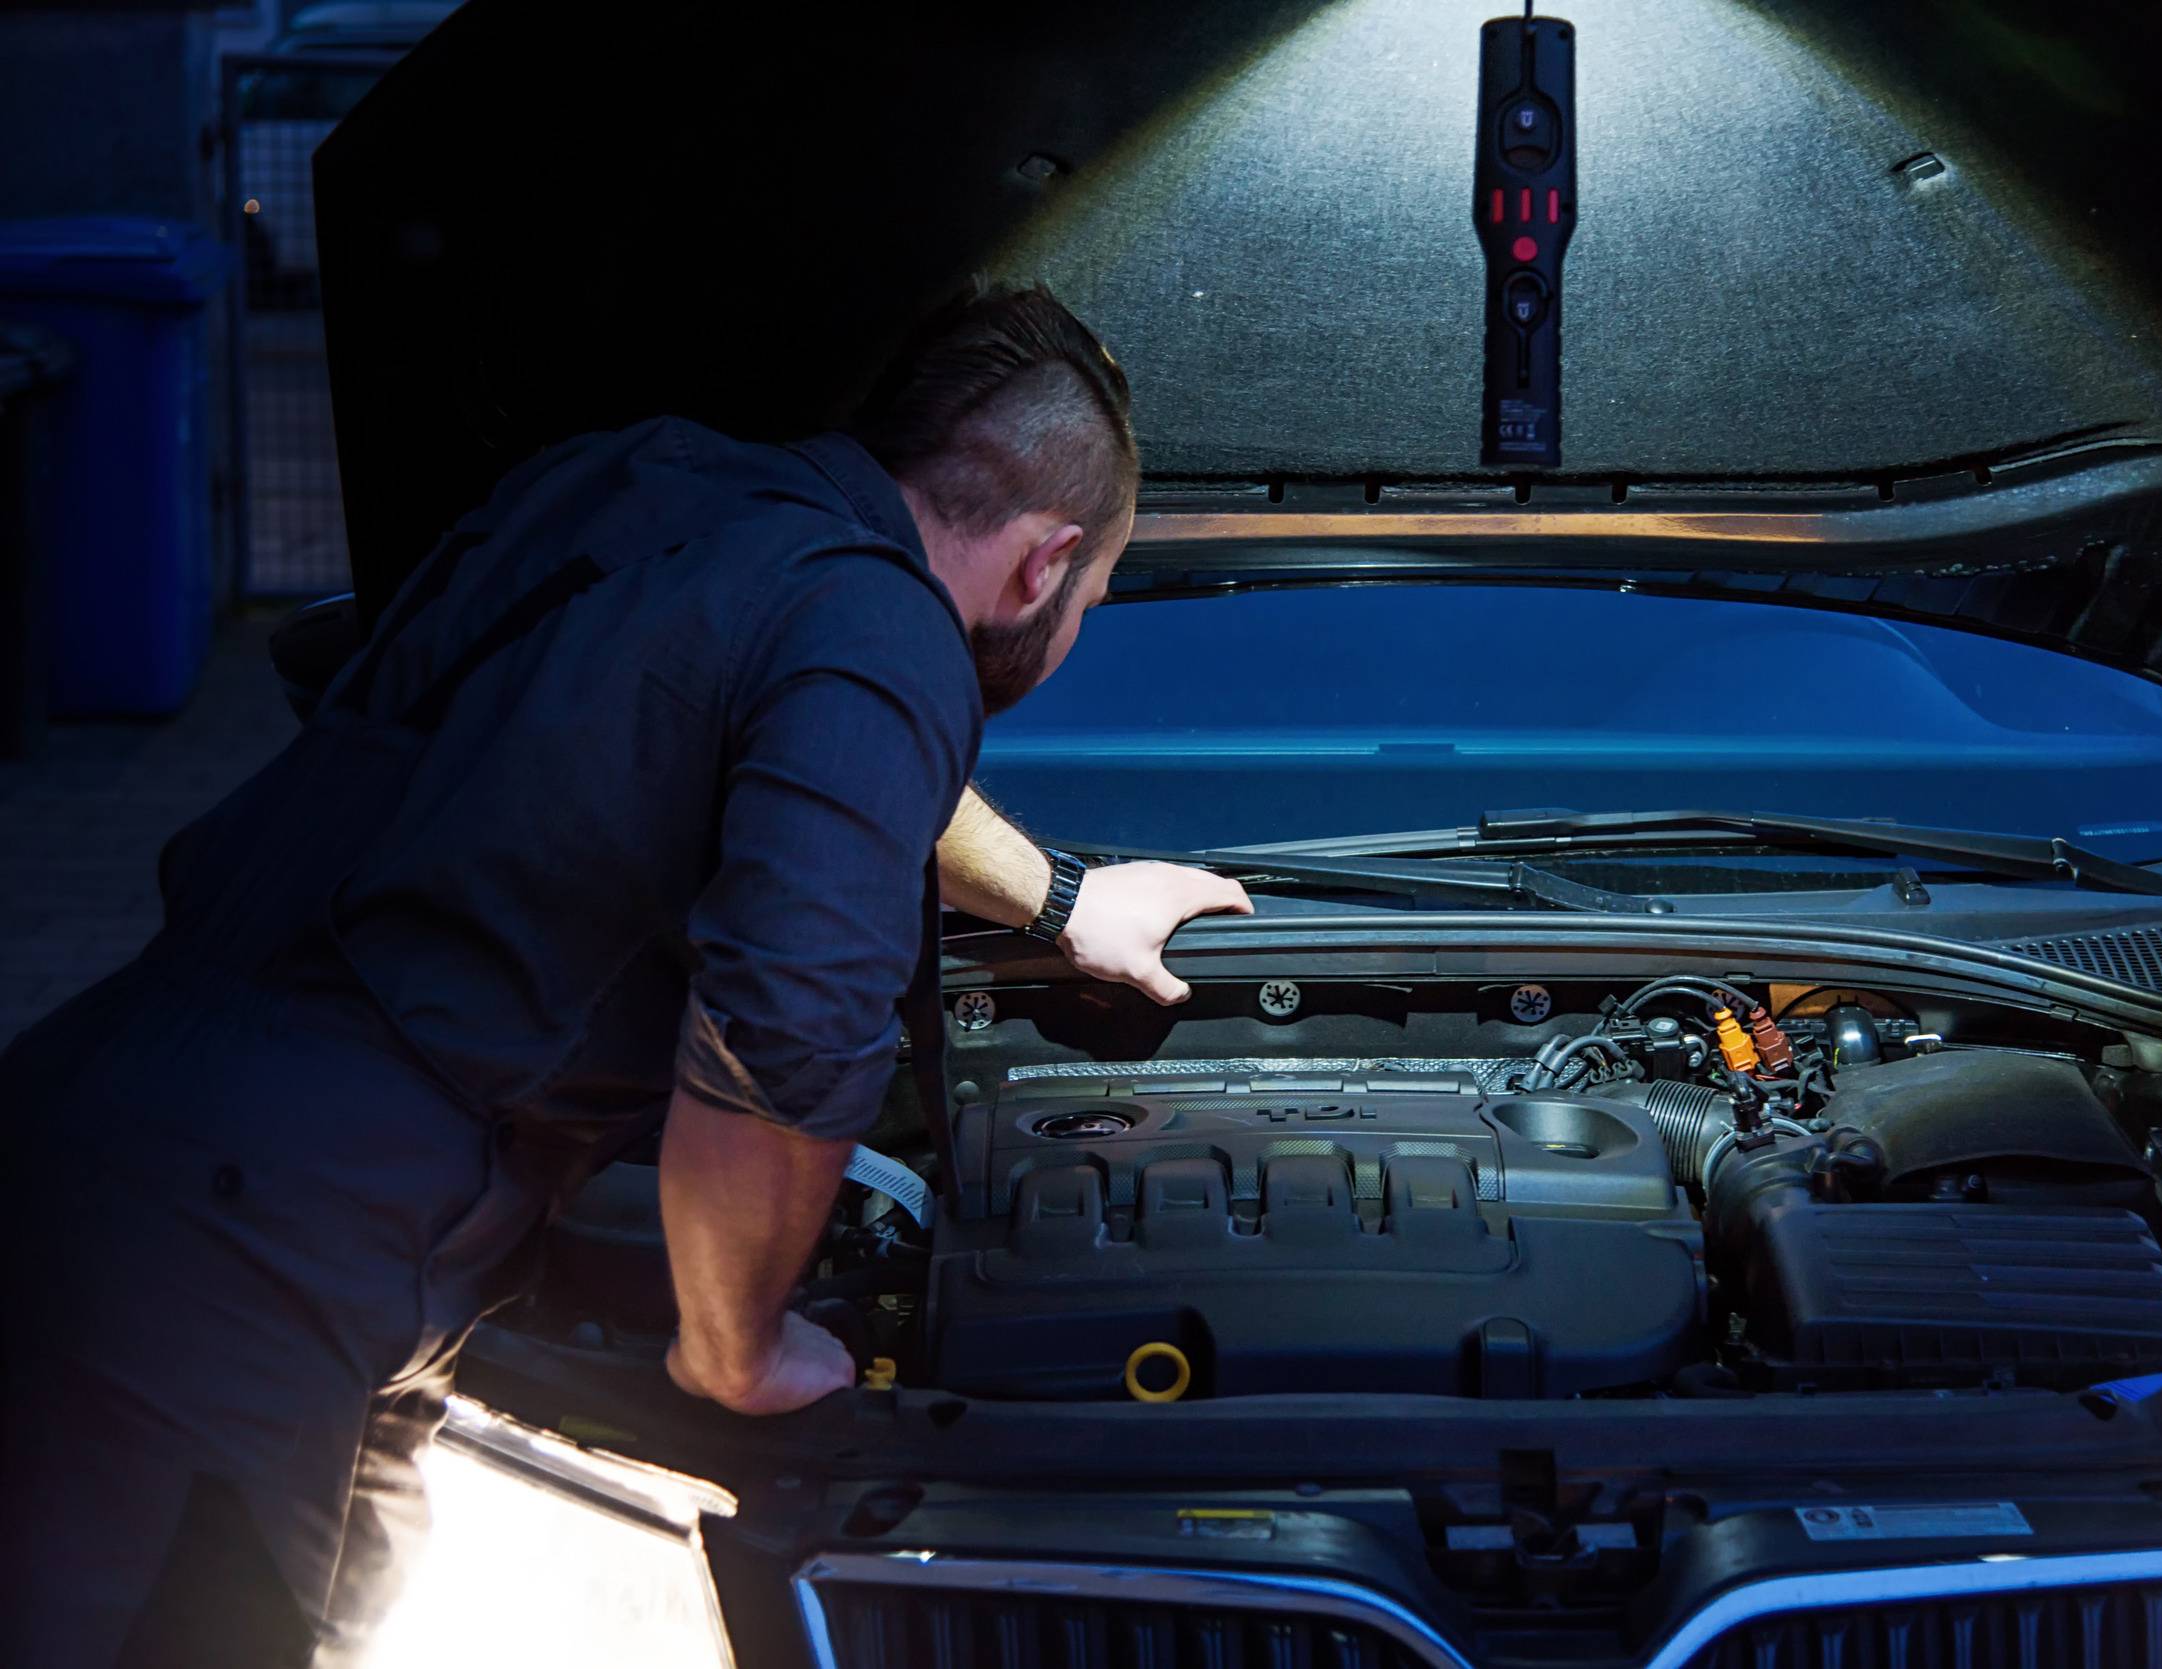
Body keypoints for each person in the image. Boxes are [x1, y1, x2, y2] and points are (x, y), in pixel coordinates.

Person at [0, 284, 1251, 1666]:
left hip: (113, 1126)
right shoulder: (881, 627)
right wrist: (739, 1347)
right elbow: (782, 1037)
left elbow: (819, 747)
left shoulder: (648, 485)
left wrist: (1064, 896)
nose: (1071, 628)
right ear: (1044, 564)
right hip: (236, 1271)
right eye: (1094, 596)